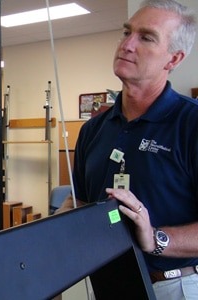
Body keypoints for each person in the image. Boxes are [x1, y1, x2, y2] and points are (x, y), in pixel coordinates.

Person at [58, 0, 197, 299]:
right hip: (105, 279)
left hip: (172, 286)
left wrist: (158, 239)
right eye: (126, 32)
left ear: (173, 59)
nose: (127, 44)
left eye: (146, 37)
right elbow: (81, 202)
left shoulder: (192, 124)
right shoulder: (93, 129)